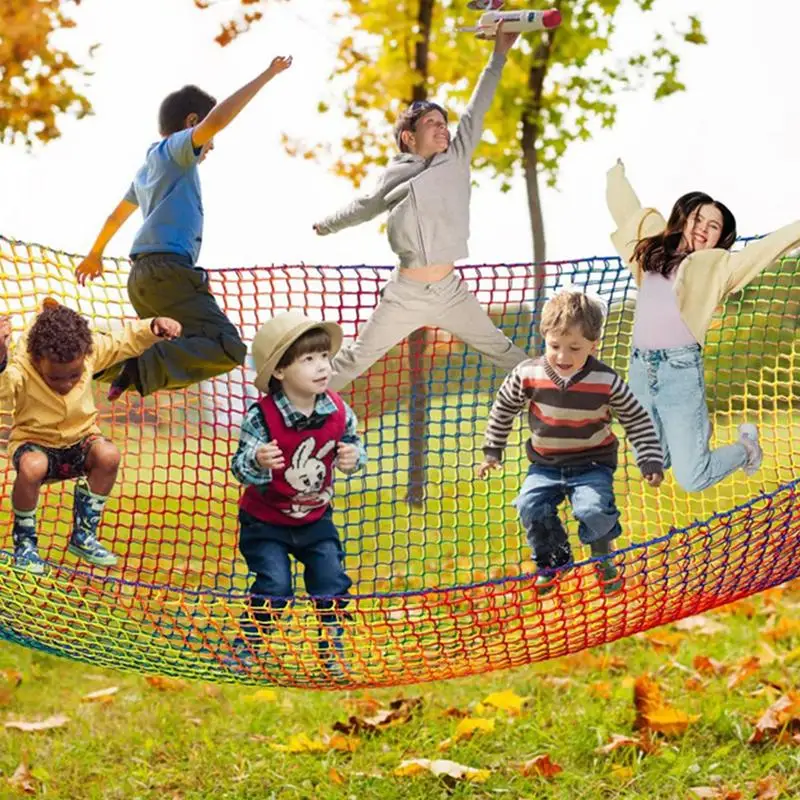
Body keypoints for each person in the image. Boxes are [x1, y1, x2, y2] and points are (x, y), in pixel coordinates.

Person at [313, 24, 528, 391]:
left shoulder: (457, 158)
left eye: (444, 123)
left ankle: (567, 393)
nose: (442, 128)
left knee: (503, 350)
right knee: (353, 360)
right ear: (409, 137)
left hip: (449, 291)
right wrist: (326, 225)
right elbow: (363, 207)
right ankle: (287, 408)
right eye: (432, 123)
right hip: (405, 295)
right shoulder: (394, 176)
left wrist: (499, 55)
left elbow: (478, 107)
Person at [75, 56, 293, 400]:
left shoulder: (148, 168)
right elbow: (219, 118)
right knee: (227, 347)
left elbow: (117, 216)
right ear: (193, 123)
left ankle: (95, 357)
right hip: (168, 273)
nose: (210, 150)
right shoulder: (176, 150)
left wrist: (95, 254)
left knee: (186, 343)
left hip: (142, 279)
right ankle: (133, 365)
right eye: (209, 143)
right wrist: (267, 74)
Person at [607, 159, 800, 492]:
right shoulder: (653, 248)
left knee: (693, 478)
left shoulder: (719, 267)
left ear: (720, 238)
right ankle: (697, 431)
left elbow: (769, 248)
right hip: (639, 367)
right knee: (654, 459)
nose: (704, 227)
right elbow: (628, 211)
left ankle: (746, 449)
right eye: (699, 217)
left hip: (679, 372)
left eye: (714, 225)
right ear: (683, 218)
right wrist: (614, 175)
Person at [478, 288, 664, 595]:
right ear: (545, 338)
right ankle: (553, 560)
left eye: (575, 348)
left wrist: (649, 459)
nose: (563, 356)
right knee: (530, 506)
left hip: (592, 465)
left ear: (594, 344)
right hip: (545, 466)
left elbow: (637, 419)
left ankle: (603, 557)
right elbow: (503, 408)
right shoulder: (529, 373)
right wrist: (492, 450)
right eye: (555, 346)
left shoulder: (606, 381)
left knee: (592, 510)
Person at [229, 311, 366, 678]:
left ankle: (331, 649)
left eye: (324, 356)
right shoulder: (261, 416)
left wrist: (353, 457)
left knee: (331, 582)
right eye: (309, 359)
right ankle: (248, 644)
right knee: (276, 586)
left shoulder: (338, 409)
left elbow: (352, 445)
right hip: (264, 522)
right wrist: (257, 459)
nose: (322, 366)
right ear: (279, 371)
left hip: (315, 520)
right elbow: (239, 467)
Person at [0, 301, 181, 573]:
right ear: (37, 360)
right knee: (32, 466)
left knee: (108, 454)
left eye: (74, 375)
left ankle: (84, 535)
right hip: (36, 444)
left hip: (80, 440)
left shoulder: (90, 351)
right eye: (55, 378)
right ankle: (25, 543)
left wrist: (154, 326)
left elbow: (125, 340)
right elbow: (3, 392)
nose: (66, 384)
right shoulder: (21, 367)